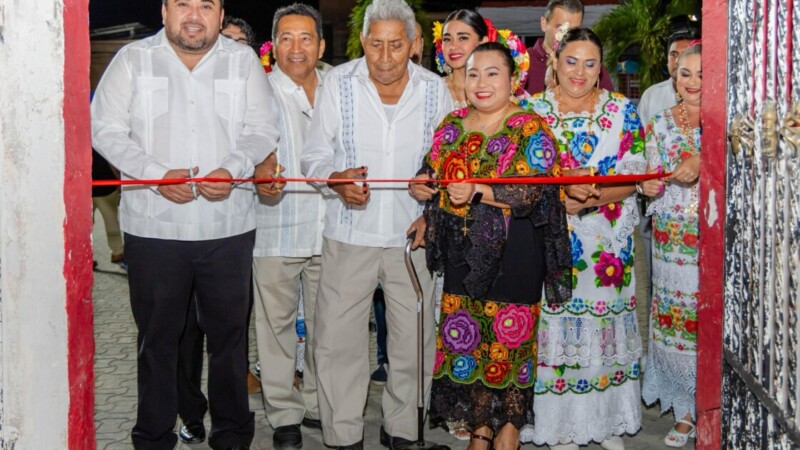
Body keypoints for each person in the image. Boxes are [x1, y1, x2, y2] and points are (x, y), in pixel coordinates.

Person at [91, 0, 279, 448]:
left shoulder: (242, 62)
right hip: (154, 230)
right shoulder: (132, 60)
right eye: (182, 4)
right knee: (157, 343)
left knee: (230, 343)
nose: (194, 15)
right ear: (164, 11)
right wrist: (152, 173)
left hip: (227, 227)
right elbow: (105, 128)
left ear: (220, 14)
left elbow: (263, 129)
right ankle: (153, 438)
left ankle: (231, 436)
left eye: (206, 5)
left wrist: (233, 168)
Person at [300, 0, 453, 448]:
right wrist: (335, 180)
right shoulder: (337, 83)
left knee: (413, 340)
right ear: (363, 42)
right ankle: (343, 433)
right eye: (376, 45)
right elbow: (314, 155)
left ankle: (402, 429)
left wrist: (432, 212)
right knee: (337, 341)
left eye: (396, 45)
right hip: (349, 234)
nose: (385, 57)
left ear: (414, 45)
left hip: (413, 237)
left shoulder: (433, 89)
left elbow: (446, 162)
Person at [410, 41, 571, 450]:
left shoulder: (529, 127)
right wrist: (423, 187)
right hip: (463, 252)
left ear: (513, 79)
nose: (481, 82)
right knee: (472, 339)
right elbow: (434, 171)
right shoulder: (453, 124)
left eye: (492, 73)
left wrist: (480, 190)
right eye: (473, 73)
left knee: (509, 341)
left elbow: (534, 191)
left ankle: (509, 432)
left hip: (515, 252)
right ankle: (481, 429)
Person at [519, 28, 646, 450]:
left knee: (603, 329)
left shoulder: (622, 111)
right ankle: (559, 426)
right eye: (571, 61)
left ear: (601, 68)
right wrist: (560, 198)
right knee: (553, 328)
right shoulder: (530, 110)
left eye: (590, 63)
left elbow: (633, 176)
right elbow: (519, 176)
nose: (579, 71)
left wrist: (588, 200)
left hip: (605, 247)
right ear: (554, 62)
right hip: (547, 239)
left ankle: (605, 421)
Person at [250, 4, 328, 449]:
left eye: (305, 38)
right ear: (273, 45)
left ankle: (319, 403)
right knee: (275, 328)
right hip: (275, 226)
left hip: (332, 227)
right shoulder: (258, 91)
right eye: (286, 38)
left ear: (319, 44)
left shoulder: (340, 86)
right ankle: (283, 415)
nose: (296, 48)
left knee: (328, 326)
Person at [639, 42, 702, 449]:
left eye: (702, 74)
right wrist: (647, 184)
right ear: (674, 79)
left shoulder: (729, 122)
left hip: (715, 238)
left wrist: (707, 160)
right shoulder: (659, 122)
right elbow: (648, 174)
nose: (693, 82)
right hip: (669, 240)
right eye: (685, 74)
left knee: (709, 322)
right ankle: (683, 411)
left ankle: (711, 406)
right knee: (675, 320)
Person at [521, 0, 613, 95]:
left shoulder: (590, 65)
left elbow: (609, 104)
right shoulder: (522, 62)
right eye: (560, 28)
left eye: (574, 31)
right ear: (544, 24)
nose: (566, 35)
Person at [637, 28, 701, 126]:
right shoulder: (651, 96)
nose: (677, 61)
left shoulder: (708, 96)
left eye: (685, 54)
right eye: (673, 55)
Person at [433, 9, 491, 108]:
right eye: (447, 39)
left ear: (483, 42)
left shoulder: (498, 89)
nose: (453, 46)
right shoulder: (433, 90)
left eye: (463, 38)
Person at [91, 149, 126, 270]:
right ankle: (117, 253)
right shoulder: (100, 140)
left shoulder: (77, 142)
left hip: (85, 189)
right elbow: (112, 162)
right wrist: (119, 181)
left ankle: (85, 256)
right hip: (106, 187)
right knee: (111, 222)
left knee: (83, 228)